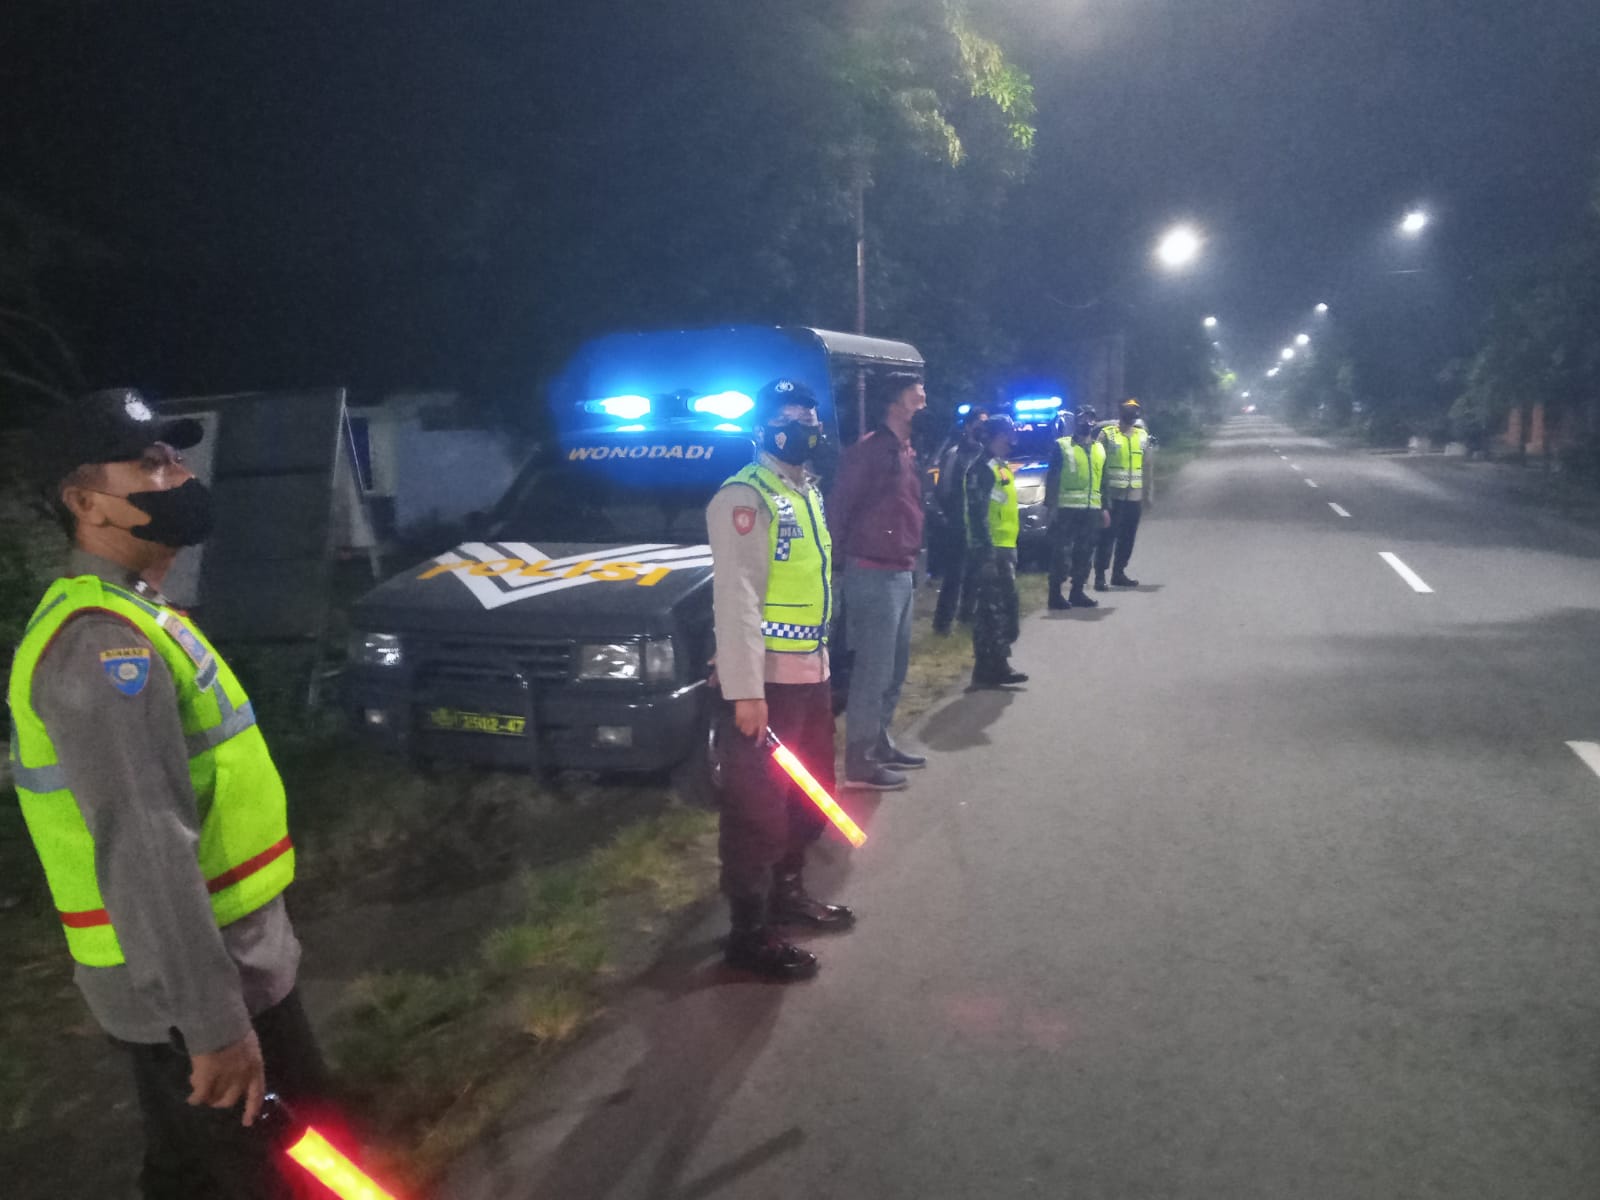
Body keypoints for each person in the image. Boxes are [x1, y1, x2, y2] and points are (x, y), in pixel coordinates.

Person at [8, 389, 328, 1199]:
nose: (177, 474)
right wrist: (215, 1028)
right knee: (297, 1175)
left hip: (220, 973)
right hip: (198, 994)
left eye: (175, 455)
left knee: (198, 1173)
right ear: (87, 503)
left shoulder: (136, 613)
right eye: (148, 463)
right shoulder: (102, 647)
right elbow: (146, 850)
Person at [706, 378, 856, 981]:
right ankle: (748, 934)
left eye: (809, 414)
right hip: (765, 684)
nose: (804, 424)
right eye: (790, 414)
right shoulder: (745, 496)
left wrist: (830, 666)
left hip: (810, 674)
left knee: (809, 792)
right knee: (756, 811)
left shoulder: (808, 491)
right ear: (764, 426)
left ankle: (787, 896)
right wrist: (745, 690)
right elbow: (737, 599)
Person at [829, 371, 928, 790]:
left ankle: (880, 741)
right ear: (895, 403)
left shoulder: (904, 450)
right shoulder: (868, 453)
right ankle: (860, 761)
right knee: (873, 670)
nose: (924, 403)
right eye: (916, 396)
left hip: (900, 570)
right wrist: (836, 568)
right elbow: (838, 509)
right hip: (871, 574)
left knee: (894, 667)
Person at [965, 415, 1028, 689]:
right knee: (993, 611)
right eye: (1007, 434)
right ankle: (994, 666)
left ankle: (989, 667)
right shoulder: (981, 469)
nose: (1012, 439)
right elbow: (978, 515)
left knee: (1003, 609)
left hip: (1005, 547)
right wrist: (988, 553)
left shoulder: (1000, 467)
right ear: (995, 436)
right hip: (990, 551)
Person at [930, 404, 989, 635]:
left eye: (985, 423)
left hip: (979, 524)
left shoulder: (985, 454)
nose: (982, 428)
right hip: (958, 524)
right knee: (954, 576)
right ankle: (943, 623)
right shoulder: (955, 454)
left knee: (976, 573)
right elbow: (943, 490)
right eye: (979, 423)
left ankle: (967, 615)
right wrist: (950, 518)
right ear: (968, 426)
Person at [1044, 406, 1110, 609]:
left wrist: (1105, 508)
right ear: (1076, 421)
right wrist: (1051, 507)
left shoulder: (1099, 448)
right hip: (1066, 510)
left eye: (1091, 417)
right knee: (1061, 554)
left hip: (1091, 509)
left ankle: (1077, 592)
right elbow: (1052, 478)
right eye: (1082, 417)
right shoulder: (1062, 446)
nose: (1086, 422)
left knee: (1085, 553)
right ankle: (1055, 595)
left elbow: (1103, 480)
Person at [1095, 397, 1152, 590]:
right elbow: (1097, 465)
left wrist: (1148, 494)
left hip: (1134, 497)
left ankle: (1119, 573)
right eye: (1129, 410)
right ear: (1121, 412)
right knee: (1107, 537)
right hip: (1113, 496)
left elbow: (1147, 467)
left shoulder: (1142, 436)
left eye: (1135, 410)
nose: (1133, 413)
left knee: (1128, 537)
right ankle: (1100, 575)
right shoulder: (1107, 435)